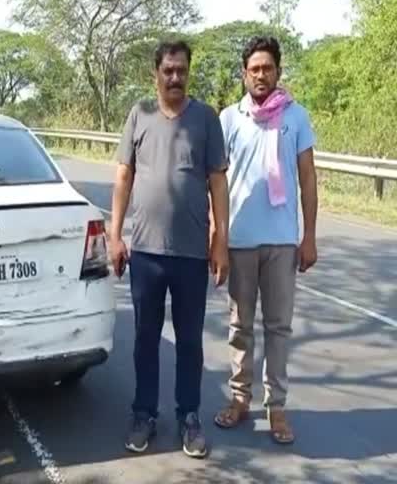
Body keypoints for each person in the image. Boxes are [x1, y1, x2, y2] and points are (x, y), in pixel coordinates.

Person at [110, 40, 230, 459]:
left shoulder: (206, 119)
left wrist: (220, 242)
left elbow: (218, 182)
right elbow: (123, 176)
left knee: (190, 342)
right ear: (156, 74)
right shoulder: (139, 116)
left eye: (181, 70)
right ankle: (144, 413)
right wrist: (114, 236)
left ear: (188, 72)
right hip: (145, 251)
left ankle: (189, 416)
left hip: (192, 254)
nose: (175, 77)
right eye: (168, 71)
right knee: (145, 339)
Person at [213, 36, 317, 445]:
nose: (261, 74)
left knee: (278, 328)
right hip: (239, 239)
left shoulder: (297, 117)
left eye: (268, 68)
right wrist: (216, 235)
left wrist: (309, 236)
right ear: (244, 73)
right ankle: (240, 399)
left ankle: (277, 408)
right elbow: (216, 181)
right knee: (240, 327)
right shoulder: (229, 118)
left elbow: (307, 177)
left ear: (278, 71)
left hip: (281, 242)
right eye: (254, 68)